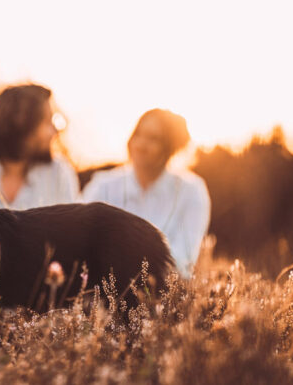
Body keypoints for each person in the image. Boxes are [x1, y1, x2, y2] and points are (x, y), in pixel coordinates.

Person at [82, 109, 210, 278]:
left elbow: (182, 262)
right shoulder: (103, 185)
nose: (140, 144)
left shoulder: (192, 191)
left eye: (153, 139)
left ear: (170, 147)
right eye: (138, 134)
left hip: (160, 296)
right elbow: (79, 246)